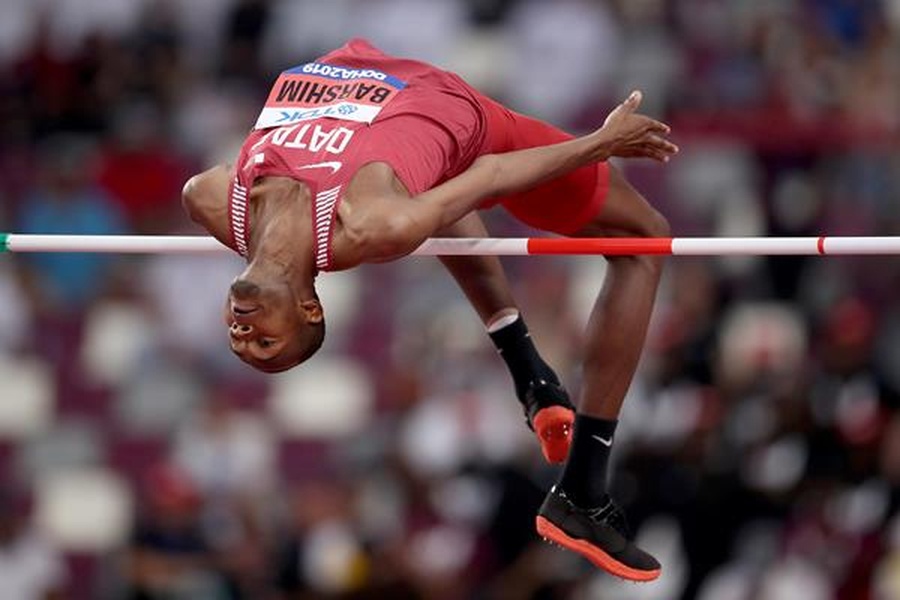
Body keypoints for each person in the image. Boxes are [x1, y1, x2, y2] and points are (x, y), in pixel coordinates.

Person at [182, 38, 677, 581]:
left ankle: (530, 373)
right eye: (265, 344)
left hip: (355, 72)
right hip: (470, 122)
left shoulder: (209, 199)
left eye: (239, 341)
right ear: (309, 308)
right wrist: (600, 143)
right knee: (643, 240)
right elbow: (488, 175)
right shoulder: (368, 225)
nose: (241, 334)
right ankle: (583, 488)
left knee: (419, 194)